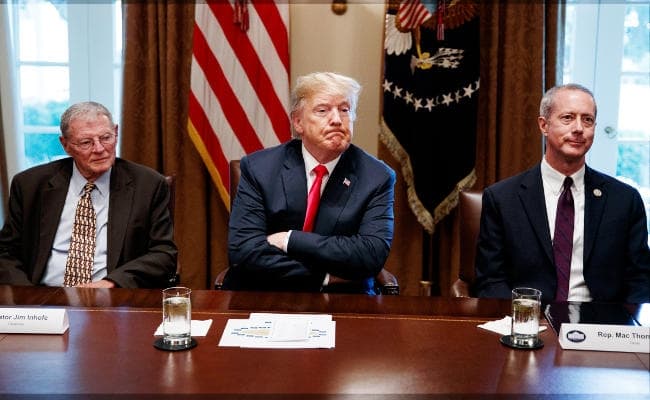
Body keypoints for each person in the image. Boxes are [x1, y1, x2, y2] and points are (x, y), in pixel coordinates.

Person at [474, 83, 650, 304]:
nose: (579, 128)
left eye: (587, 120)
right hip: (528, 318)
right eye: (568, 118)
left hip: (601, 321)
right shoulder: (502, 199)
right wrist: (524, 319)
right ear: (544, 125)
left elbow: (640, 281)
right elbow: (491, 281)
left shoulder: (624, 200)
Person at [225, 72, 396, 294]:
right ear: (298, 122)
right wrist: (322, 278)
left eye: (344, 110)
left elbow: (371, 255)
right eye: (323, 110)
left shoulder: (377, 177)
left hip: (342, 300)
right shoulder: (260, 168)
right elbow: (244, 251)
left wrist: (290, 239)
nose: (337, 119)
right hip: (266, 294)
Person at [0, 101, 177, 288]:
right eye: (86, 142)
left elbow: (164, 254)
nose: (99, 149)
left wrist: (111, 283)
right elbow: (6, 251)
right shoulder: (30, 185)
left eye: (106, 138)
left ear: (116, 132)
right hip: (43, 295)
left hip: (111, 295)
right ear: (65, 145)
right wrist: (28, 296)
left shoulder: (148, 185)